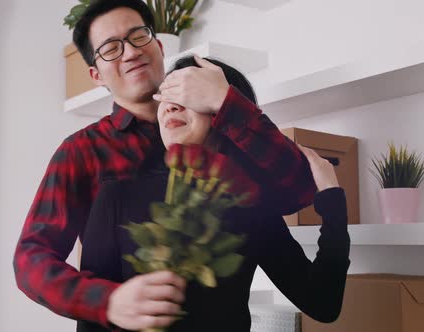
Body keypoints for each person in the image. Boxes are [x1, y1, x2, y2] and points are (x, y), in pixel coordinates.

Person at [13, 0, 316, 330]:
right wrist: (107, 301)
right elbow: (31, 259)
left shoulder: (213, 129)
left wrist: (227, 101)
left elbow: (296, 193)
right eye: (111, 48)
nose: (130, 52)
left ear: (158, 45)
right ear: (95, 75)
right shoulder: (83, 151)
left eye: (138, 36)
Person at [78, 56, 351, 332]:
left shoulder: (249, 202)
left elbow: (322, 303)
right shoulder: (117, 193)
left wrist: (333, 205)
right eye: (166, 94)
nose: (170, 105)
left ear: (223, 112)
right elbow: (92, 320)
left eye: (187, 95)